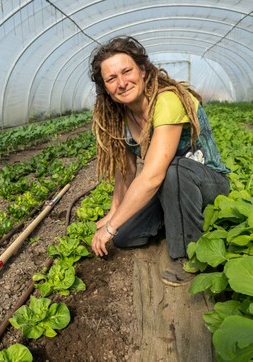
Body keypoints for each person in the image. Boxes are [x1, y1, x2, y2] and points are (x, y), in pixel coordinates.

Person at [89, 36, 230, 286]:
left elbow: (153, 176)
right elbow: (126, 172)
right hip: (171, 186)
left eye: (127, 71)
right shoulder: (120, 116)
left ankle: (188, 256)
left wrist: (109, 228)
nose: (121, 83)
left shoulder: (168, 100)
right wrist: (113, 215)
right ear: (105, 87)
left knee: (175, 169)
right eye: (111, 79)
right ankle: (177, 217)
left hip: (209, 184)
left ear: (143, 70)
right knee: (124, 237)